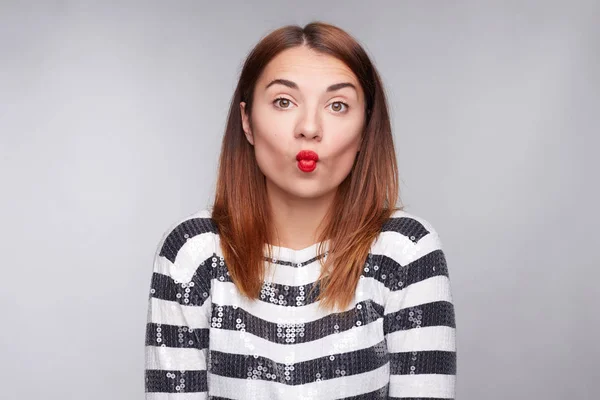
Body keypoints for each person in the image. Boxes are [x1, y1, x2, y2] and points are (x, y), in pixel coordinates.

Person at [144, 21, 456, 399]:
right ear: (247, 121)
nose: (309, 128)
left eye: (337, 105)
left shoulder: (406, 252)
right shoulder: (191, 254)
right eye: (283, 102)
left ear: (364, 130)